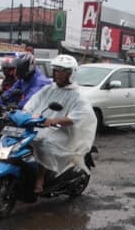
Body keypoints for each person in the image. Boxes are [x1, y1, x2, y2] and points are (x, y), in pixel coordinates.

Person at [22, 54, 96, 194]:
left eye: (63, 71)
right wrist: (23, 114)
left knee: (44, 142)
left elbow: (76, 116)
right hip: (41, 126)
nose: (58, 74)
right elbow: (31, 103)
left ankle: (40, 178)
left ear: (71, 74)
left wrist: (53, 121)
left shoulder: (77, 96)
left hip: (63, 132)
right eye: (56, 70)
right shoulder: (48, 89)